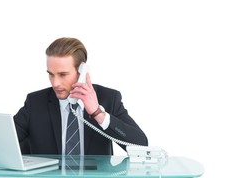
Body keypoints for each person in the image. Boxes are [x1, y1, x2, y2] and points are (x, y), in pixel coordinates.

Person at [13, 37, 148, 155]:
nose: (55, 83)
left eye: (63, 74)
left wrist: (97, 113)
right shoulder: (35, 102)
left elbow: (141, 146)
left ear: (81, 71)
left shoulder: (108, 98)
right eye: (51, 74)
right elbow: (4, 143)